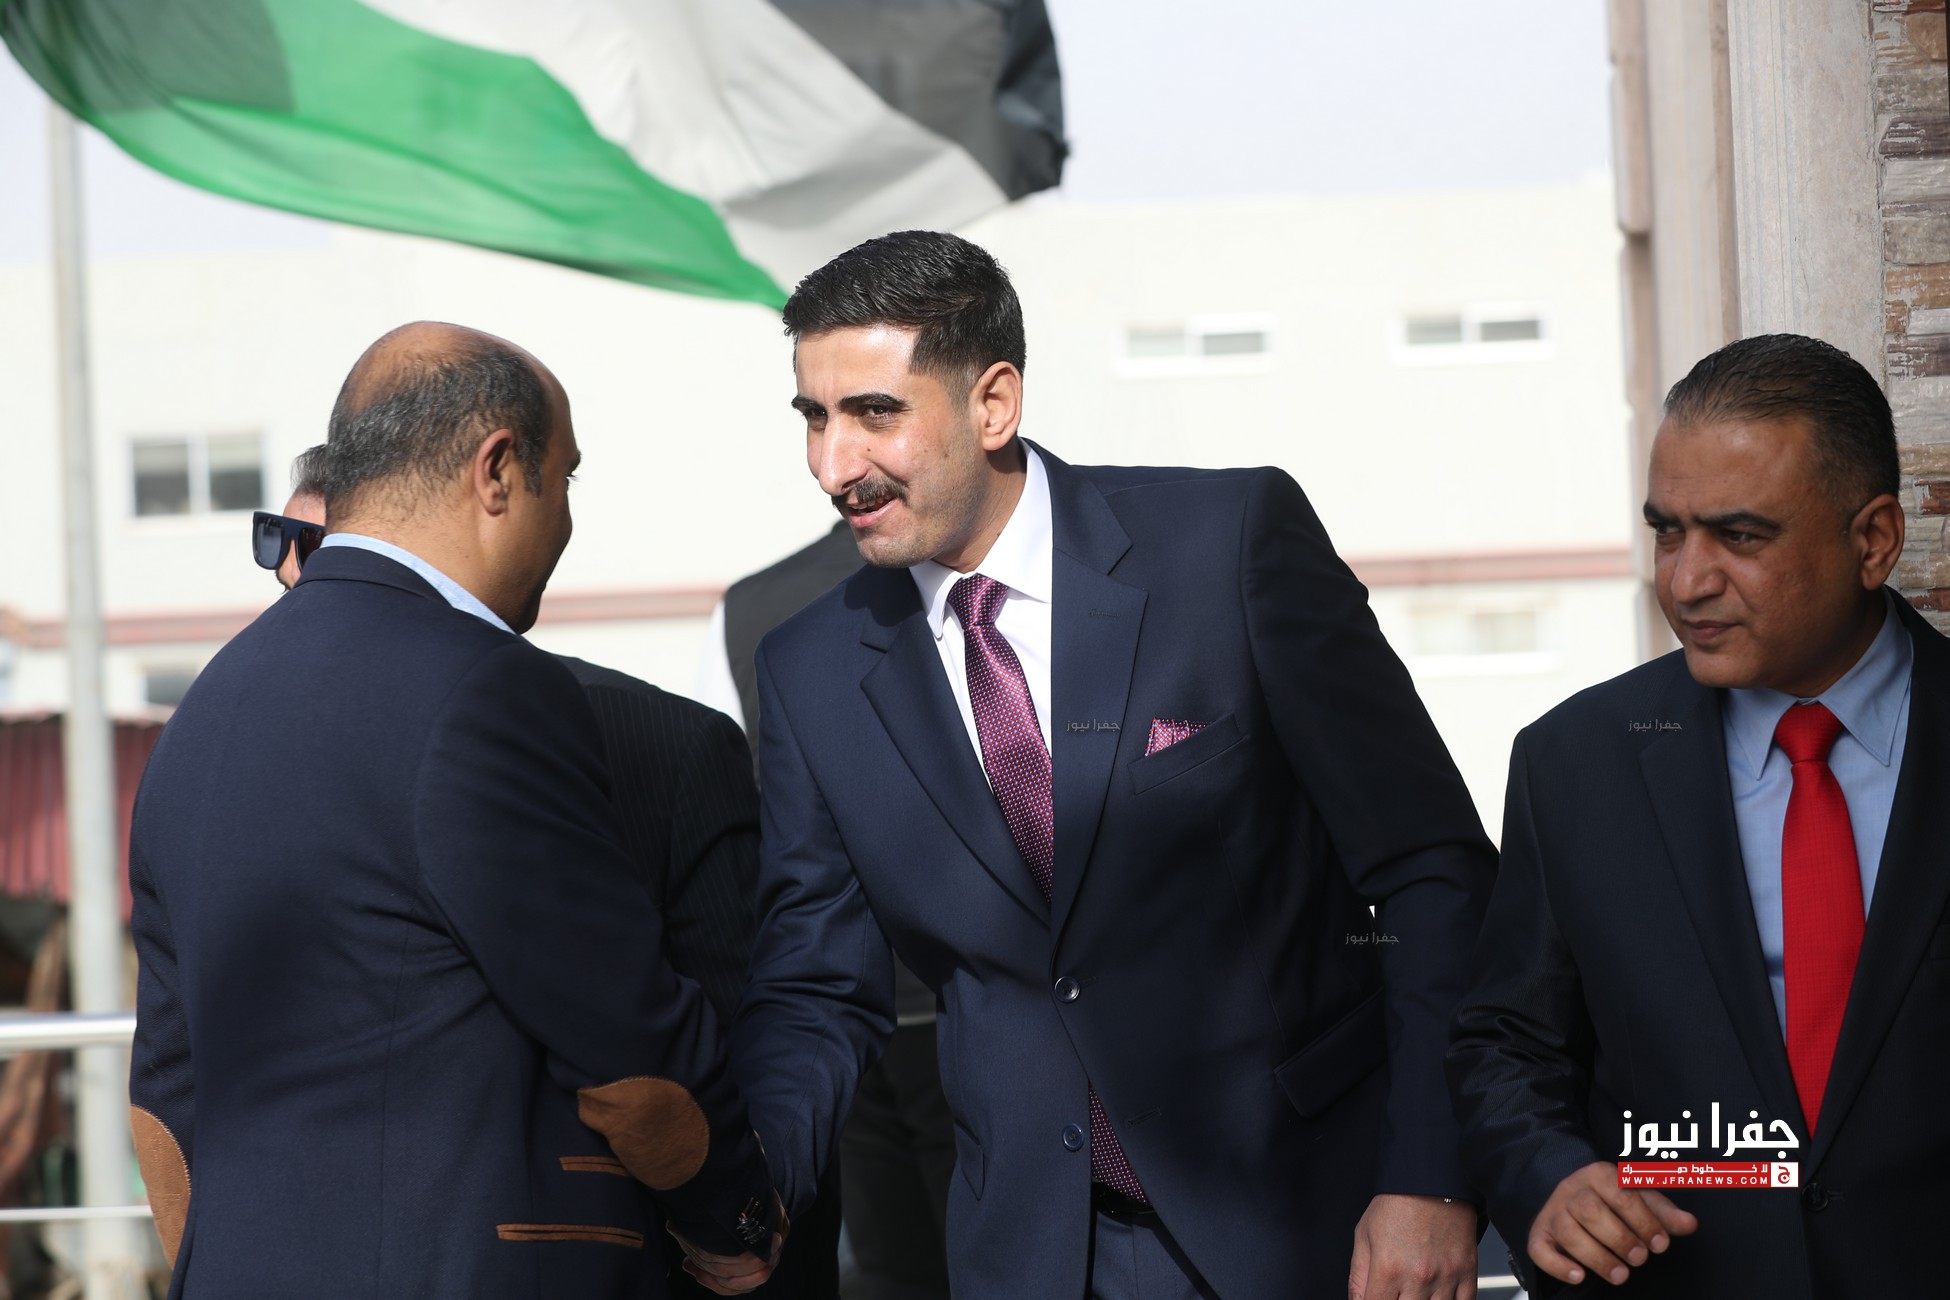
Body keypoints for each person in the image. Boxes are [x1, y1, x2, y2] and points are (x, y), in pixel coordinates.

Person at [730, 231, 1495, 1300]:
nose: (832, 466)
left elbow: (1428, 871)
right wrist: (745, 1193)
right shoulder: (808, 668)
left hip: (1315, 1226)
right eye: (814, 417)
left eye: (873, 413)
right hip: (1029, 1259)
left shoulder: (1226, 546)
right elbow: (817, 988)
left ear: (994, 404)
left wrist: (1431, 1173)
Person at [129, 322, 781, 1298]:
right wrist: (734, 1218)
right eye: (566, 479)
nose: (565, 519)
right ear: (498, 470)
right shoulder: (486, 687)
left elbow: (164, 1107)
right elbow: (628, 1045)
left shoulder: (203, 712)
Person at [257, 446, 825, 1296]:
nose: (300, 573)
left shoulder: (656, 748)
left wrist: (743, 1231)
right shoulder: (234, 757)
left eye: (323, 544)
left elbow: (724, 1068)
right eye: (283, 541)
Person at [1449, 333, 1943, 1298]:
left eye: (1740, 536)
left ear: (1873, 541)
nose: (1685, 581)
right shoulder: (1573, 764)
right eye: (1668, 531)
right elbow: (1507, 1041)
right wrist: (1549, 1177)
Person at [708, 523, 957, 1300]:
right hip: (954, 995)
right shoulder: (955, 575)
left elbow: (733, 807)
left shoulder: (751, 606)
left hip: (829, 1009)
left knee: (889, 1265)